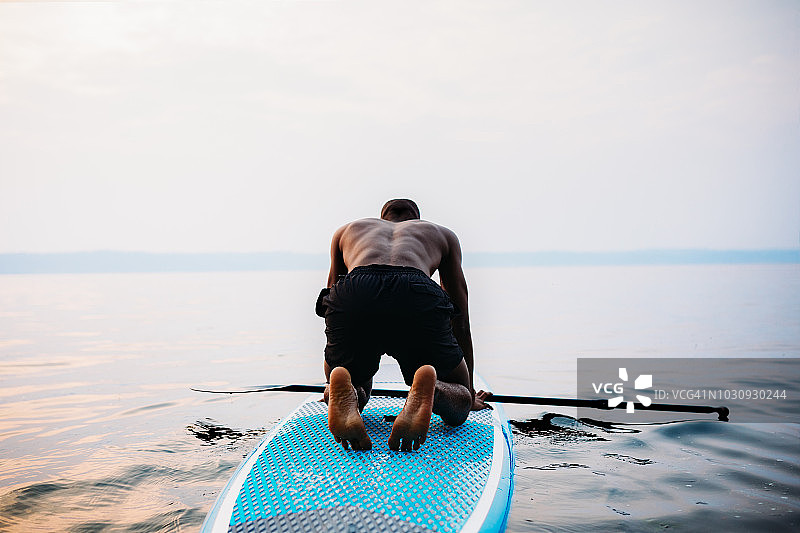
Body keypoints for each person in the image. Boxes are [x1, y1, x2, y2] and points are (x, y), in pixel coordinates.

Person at [315, 199, 489, 452]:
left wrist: (334, 364)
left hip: (355, 292)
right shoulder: (441, 234)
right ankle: (436, 391)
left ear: (382, 219)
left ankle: (343, 391)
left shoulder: (347, 230)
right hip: (416, 292)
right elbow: (460, 317)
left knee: (354, 378)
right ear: (417, 219)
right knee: (459, 402)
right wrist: (469, 392)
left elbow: (331, 301)